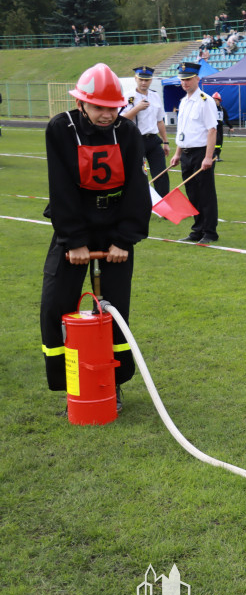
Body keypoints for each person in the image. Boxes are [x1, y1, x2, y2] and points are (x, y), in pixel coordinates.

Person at [40, 63, 151, 412]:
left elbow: (136, 187)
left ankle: (112, 384)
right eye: (98, 107)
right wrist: (73, 241)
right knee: (57, 304)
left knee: (114, 311)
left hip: (116, 225)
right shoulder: (61, 129)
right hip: (75, 225)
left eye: (112, 107)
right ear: (81, 104)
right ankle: (72, 381)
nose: (106, 114)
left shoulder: (128, 133)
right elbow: (60, 186)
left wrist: (125, 239)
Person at [169, 61, 219, 244]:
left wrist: (208, 157)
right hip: (186, 154)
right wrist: (177, 153)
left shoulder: (206, 101)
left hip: (200, 153)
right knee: (192, 195)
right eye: (182, 80)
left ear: (197, 78)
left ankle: (210, 232)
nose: (185, 83)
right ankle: (197, 230)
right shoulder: (183, 102)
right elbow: (182, 130)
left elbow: (212, 130)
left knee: (206, 194)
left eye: (188, 79)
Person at [119, 65, 170, 197]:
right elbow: (120, 119)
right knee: (138, 174)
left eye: (146, 80)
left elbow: (160, 121)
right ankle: (138, 202)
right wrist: (136, 108)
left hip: (153, 139)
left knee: (161, 173)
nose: (143, 82)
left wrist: (166, 142)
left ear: (151, 80)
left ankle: (163, 204)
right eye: (141, 79)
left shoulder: (155, 96)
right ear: (135, 79)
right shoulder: (129, 96)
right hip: (136, 139)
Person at [212, 92, 231, 161]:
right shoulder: (210, 109)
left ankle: (217, 155)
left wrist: (230, 127)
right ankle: (214, 155)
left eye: (216, 100)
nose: (215, 101)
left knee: (220, 142)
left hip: (220, 127)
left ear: (219, 101)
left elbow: (226, 119)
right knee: (217, 140)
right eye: (213, 100)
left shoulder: (222, 109)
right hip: (213, 127)